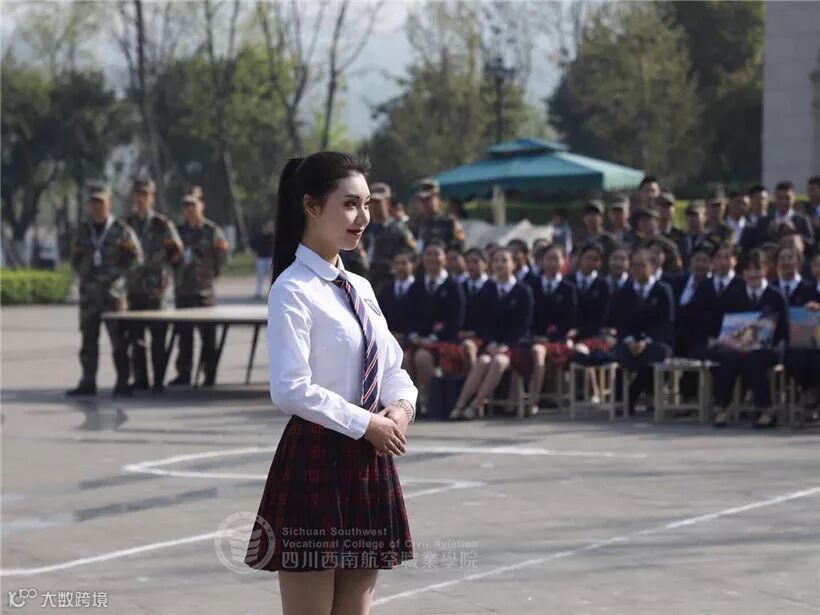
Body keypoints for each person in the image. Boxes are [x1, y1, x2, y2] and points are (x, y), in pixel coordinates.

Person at [243, 152, 417, 614]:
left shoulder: (360, 287)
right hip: (317, 457)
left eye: (367, 204)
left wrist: (401, 409)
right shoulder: (292, 289)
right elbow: (290, 387)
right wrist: (366, 423)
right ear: (312, 206)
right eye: (350, 204)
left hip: (368, 458)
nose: (363, 217)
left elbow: (393, 367)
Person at [66, 186, 143, 397]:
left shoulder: (121, 230)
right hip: (89, 296)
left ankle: (123, 382)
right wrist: (85, 272)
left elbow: (137, 259)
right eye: (93, 203)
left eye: (101, 203)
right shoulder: (83, 231)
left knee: (119, 341)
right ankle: (88, 382)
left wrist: (118, 275)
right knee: (88, 340)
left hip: (113, 296)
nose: (97, 207)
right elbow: (75, 257)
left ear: (109, 205)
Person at [448, 247, 533, 420]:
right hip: (493, 345)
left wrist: (506, 345)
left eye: (504, 260)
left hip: (515, 345)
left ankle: (475, 406)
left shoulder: (523, 291)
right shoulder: (488, 290)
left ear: (513, 264)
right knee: (483, 361)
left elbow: (523, 325)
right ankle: (460, 404)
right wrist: (492, 342)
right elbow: (485, 323)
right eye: (496, 261)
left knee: (499, 362)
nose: (499, 264)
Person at [710, 249, 788, 428]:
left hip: (768, 348)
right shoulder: (734, 294)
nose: (753, 274)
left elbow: (783, 330)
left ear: (765, 269)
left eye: (757, 269)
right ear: (743, 273)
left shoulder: (775, 296)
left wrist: (767, 342)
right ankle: (722, 408)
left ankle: (766, 410)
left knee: (755, 360)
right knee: (727, 358)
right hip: (738, 346)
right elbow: (727, 324)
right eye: (749, 270)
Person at [125, 178, 184, 393]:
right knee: (136, 338)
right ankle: (141, 379)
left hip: (157, 290)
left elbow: (176, 250)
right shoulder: (126, 224)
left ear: (152, 197)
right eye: (138, 194)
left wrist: (161, 267)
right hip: (134, 288)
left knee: (159, 338)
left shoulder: (162, 224)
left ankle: (158, 380)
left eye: (145, 194)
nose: (141, 198)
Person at [169, 192, 230, 387]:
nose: (189, 209)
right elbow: (170, 256)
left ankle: (209, 374)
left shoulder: (212, 231)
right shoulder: (177, 231)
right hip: (183, 290)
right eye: (186, 206)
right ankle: (184, 373)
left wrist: (213, 274)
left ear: (201, 206)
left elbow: (222, 255)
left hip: (204, 291)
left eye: (193, 205)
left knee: (208, 337)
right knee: (184, 336)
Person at [606, 248, 675, 414]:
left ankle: (631, 395)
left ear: (652, 267)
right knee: (620, 355)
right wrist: (629, 340)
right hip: (630, 341)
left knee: (658, 354)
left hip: (654, 341)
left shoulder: (662, 290)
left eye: (641, 265)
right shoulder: (624, 291)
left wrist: (646, 341)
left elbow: (666, 322)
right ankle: (620, 400)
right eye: (634, 265)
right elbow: (620, 321)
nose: (637, 269)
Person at [403, 239, 466, 409]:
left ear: (445, 258)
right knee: (405, 358)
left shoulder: (453, 286)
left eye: (436, 254)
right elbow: (408, 317)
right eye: (428, 254)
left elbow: (456, 320)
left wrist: (433, 338)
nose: (431, 258)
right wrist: (414, 336)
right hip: (418, 341)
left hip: (444, 341)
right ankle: (410, 402)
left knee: (422, 357)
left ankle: (429, 401)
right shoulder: (416, 286)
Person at [527, 244, 578, 416]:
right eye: (548, 259)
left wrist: (552, 336)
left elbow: (569, 319)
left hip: (557, 339)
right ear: (541, 261)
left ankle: (533, 401)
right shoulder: (531, 285)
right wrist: (535, 335)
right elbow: (528, 316)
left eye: (556, 259)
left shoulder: (568, 288)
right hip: (534, 337)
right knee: (535, 349)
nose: (552, 263)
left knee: (538, 351)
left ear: (564, 262)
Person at [362, 182, 415, 295]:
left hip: (389, 284)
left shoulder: (398, 229)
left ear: (388, 202)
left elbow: (411, 252)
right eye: (371, 202)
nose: (374, 206)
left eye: (378, 202)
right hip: (365, 282)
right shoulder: (363, 229)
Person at [784, 252, 820, 411]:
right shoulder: (809, 289)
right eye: (817, 265)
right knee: (795, 357)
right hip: (808, 340)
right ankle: (809, 390)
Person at [459, 247, 495, 370]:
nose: (471, 266)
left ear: (485, 264)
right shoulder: (461, 287)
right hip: (461, 335)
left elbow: (493, 318)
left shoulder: (493, 287)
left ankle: (471, 380)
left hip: (485, 336)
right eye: (468, 262)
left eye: (475, 262)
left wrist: (476, 332)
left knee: (468, 346)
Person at [760, 180, 815, 260]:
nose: (783, 201)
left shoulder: (802, 219)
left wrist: (794, 232)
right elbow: (758, 244)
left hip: (796, 260)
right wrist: (770, 231)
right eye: (780, 198)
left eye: (787, 198)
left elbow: (811, 244)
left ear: (794, 198)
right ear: (775, 198)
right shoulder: (765, 220)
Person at [408, 178, 465, 253]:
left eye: (428, 199)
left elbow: (459, 247)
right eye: (421, 200)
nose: (424, 203)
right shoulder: (413, 223)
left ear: (437, 198)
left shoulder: (449, 222)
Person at [377, 248, 416, 341]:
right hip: (387, 338)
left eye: (404, 263)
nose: (400, 267)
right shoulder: (386, 289)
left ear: (413, 265)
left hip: (411, 340)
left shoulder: (419, 288)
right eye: (396, 263)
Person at [632, 208, 683, 274]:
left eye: (647, 219)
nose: (643, 222)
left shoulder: (667, 246)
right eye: (640, 220)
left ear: (657, 222)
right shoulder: (637, 245)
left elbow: (677, 270)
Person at [573, 200, 618, 272]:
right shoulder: (579, 240)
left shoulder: (609, 240)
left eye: (594, 214)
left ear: (602, 218)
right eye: (588, 214)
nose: (590, 218)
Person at [250, 219, 275, 299]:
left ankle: (272, 293)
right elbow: (253, 248)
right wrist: (254, 258)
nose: (270, 227)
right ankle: (258, 293)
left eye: (271, 226)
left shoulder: (274, 236)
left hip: (271, 258)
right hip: (261, 258)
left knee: (272, 277)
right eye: (268, 226)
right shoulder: (258, 236)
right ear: (264, 226)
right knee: (260, 276)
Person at [680, 201, 707, 267]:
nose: (691, 218)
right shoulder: (680, 238)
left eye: (695, 215)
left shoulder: (709, 239)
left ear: (704, 216)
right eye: (688, 215)